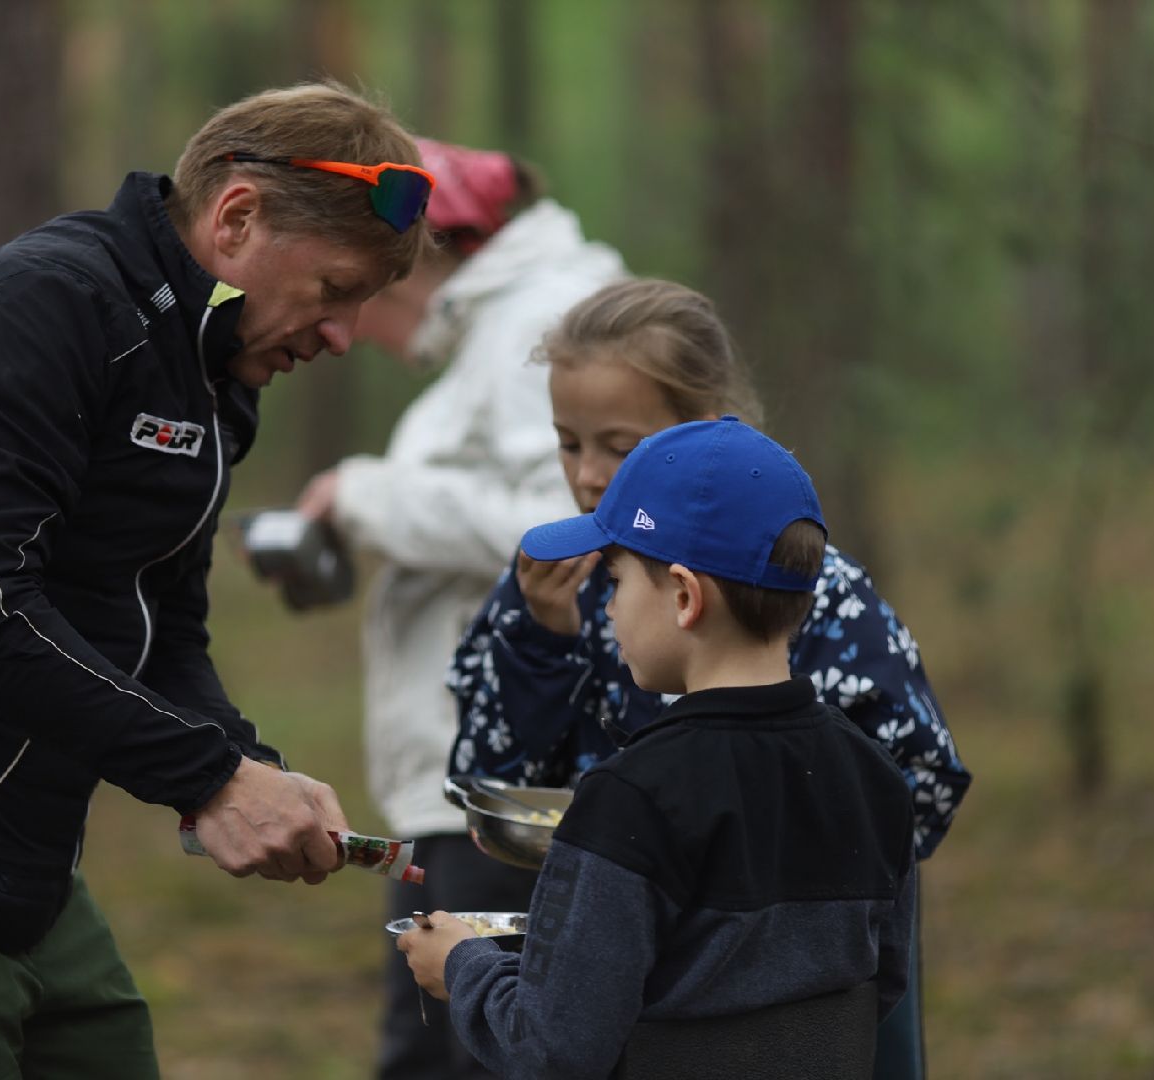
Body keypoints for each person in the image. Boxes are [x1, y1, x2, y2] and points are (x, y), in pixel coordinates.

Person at [0, 82, 435, 1078]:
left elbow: (158, 630)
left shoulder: (207, 370)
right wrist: (207, 778)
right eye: (334, 291)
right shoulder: (47, 307)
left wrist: (248, 767)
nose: (343, 336)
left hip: (31, 879)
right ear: (237, 217)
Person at [445, 279, 971, 1079]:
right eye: (567, 441)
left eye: (620, 447)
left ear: (702, 430)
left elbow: (912, 785)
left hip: (788, 966)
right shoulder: (551, 575)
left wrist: (744, 855)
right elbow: (486, 780)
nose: (589, 475)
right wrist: (540, 647)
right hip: (610, 932)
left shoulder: (817, 592)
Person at [400, 416, 918, 1079]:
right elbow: (880, 988)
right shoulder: (876, 779)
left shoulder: (630, 801)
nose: (607, 609)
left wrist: (462, 967)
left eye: (614, 582)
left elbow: (554, 1049)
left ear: (682, 596)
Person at [290, 139, 624, 1079]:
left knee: (451, 1048)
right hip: (477, 779)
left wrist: (369, 497)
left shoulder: (543, 324)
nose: (349, 316)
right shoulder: (508, 327)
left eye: (365, 280)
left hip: (505, 784)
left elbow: (570, 527)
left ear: (436, 254)